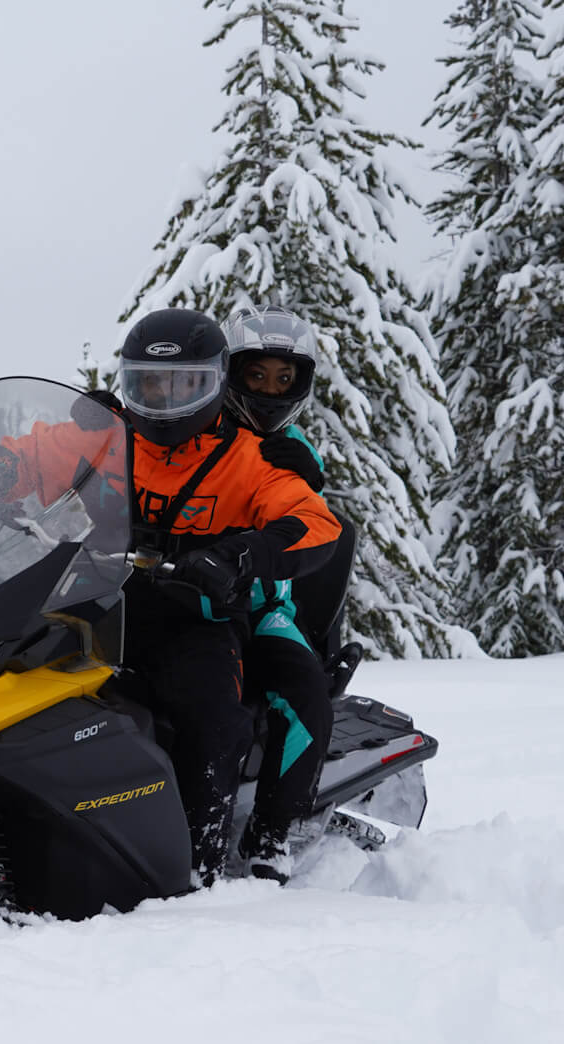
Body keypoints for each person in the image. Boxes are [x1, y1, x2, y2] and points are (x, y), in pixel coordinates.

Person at [0, 307, 342, 886]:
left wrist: (240, 555)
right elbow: (33, 451)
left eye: (185, 384)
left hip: (196, 614)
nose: (165, 399)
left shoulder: (256, 457)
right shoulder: (108, 436)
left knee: (213, 712)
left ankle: (199, 858)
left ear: (211, 383)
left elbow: (312, 521)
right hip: (97, 595)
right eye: (150, 383)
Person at [218, 305, 346, 881]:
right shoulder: (197, 428)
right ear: (232, 372)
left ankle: (273, 830)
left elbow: (309, 505)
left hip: (264, 607)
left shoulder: (291, 448)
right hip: (171, 597)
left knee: (303, 692)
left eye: (284, 379)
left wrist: (311, 473)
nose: (270, 391)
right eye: (258, 376)